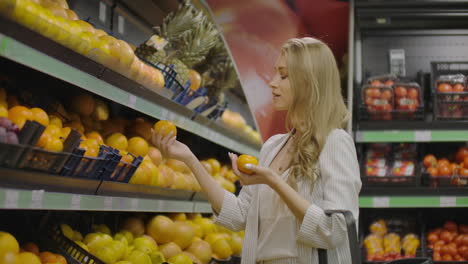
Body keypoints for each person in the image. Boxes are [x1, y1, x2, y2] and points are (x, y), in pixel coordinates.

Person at [153, 37, 362, 264]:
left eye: (283, 75)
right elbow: (237, 216)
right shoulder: (273, 147)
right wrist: (189, 159)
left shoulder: (335, 143)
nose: (272, 83)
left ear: (309, 82)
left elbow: (334, 230)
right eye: (275, 73)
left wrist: (274, 181)